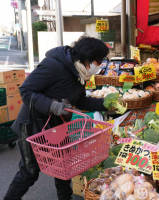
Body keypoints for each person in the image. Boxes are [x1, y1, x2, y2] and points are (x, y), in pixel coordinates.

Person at [4, 36, 110, 200]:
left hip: (58, 125)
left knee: (64, 165)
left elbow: (81, 101)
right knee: (30, 172)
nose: (100, 65)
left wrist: (107, 104)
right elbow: (26, 91)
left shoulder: (80, 73)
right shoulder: (54, 65)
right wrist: (52, 106)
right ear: (87, 58)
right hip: (33, 125)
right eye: (98, 61)